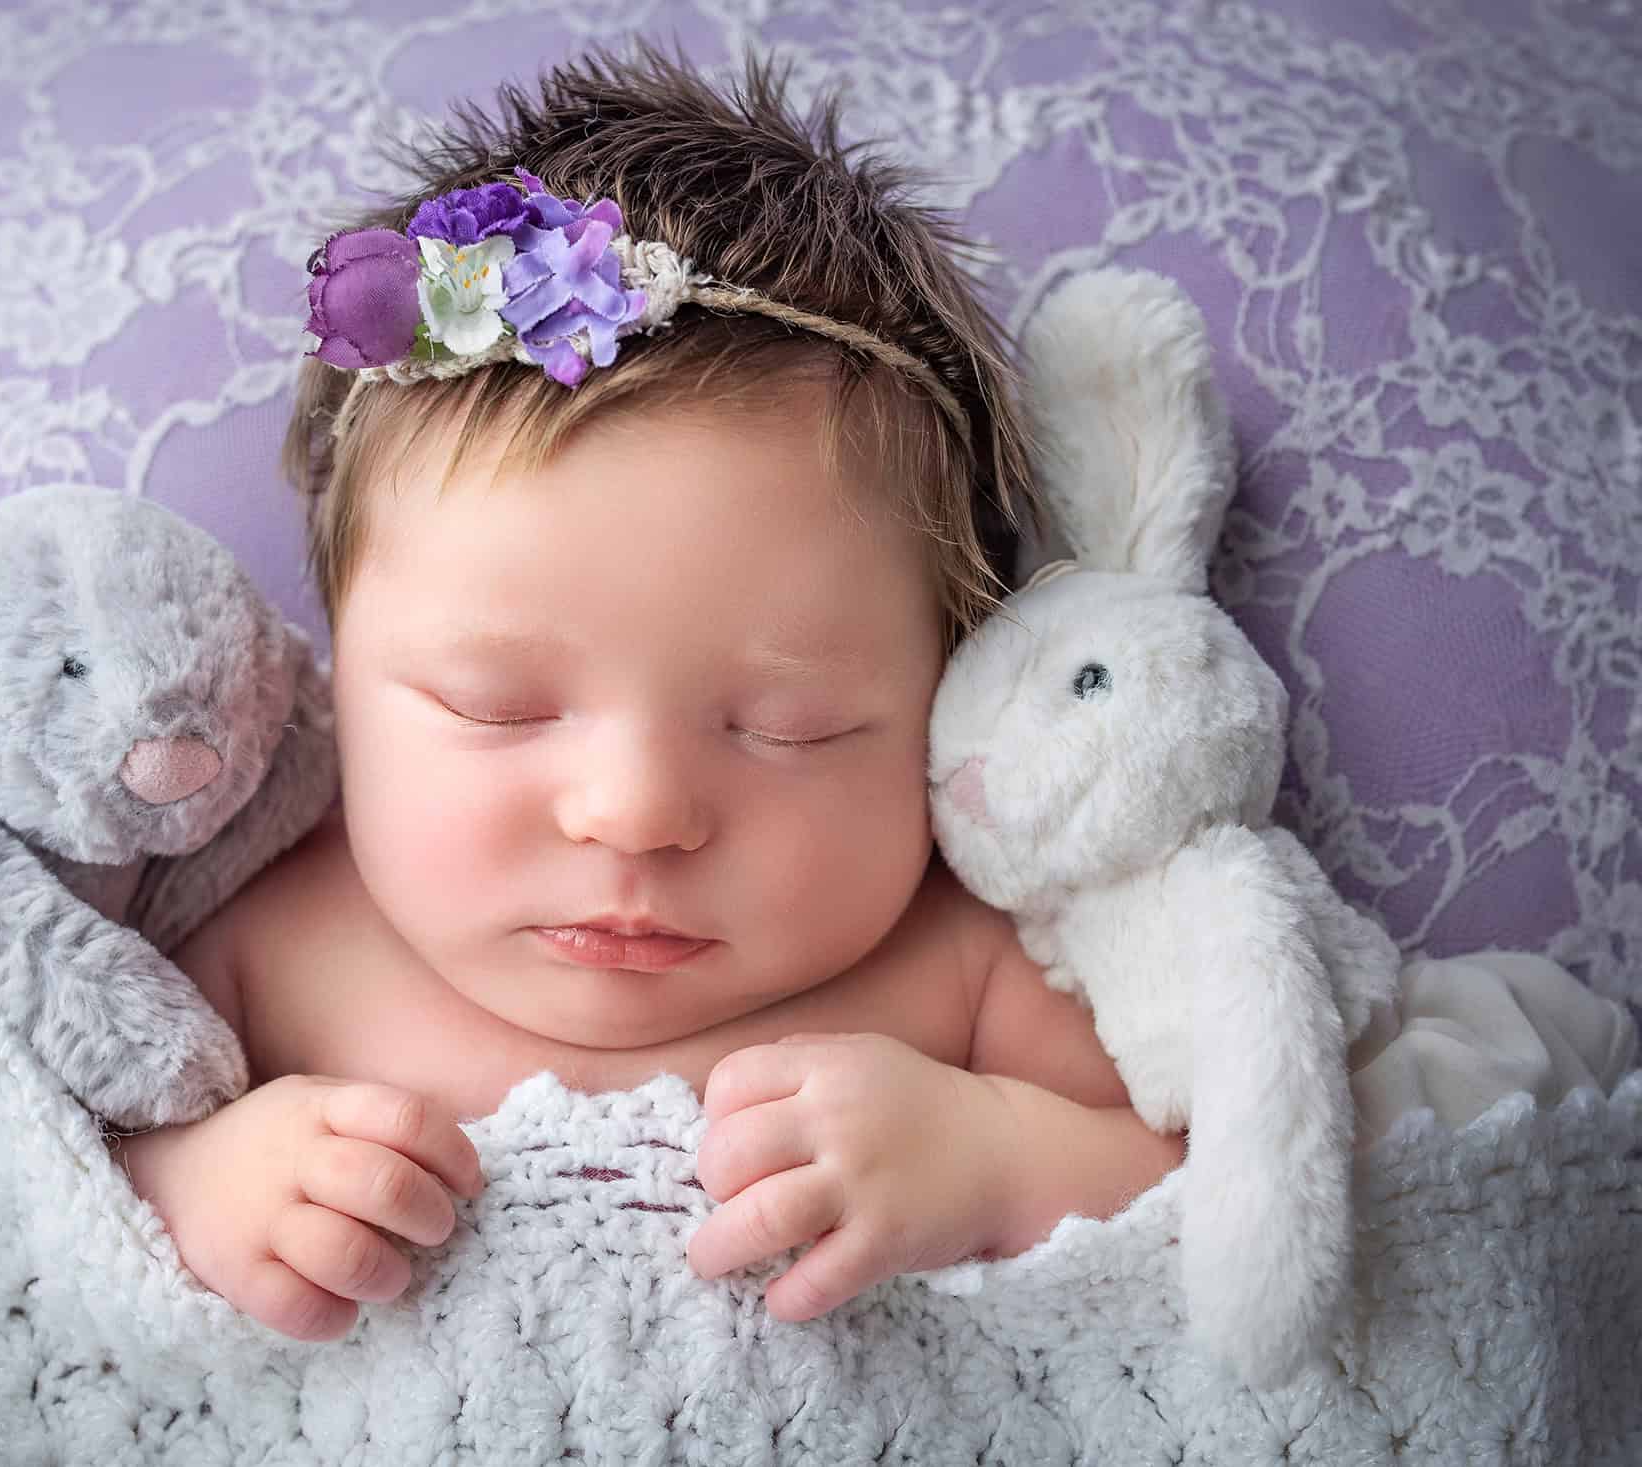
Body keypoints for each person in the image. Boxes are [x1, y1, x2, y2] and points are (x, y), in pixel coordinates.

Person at [111, 46, 1187, 1345]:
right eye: (495, 704)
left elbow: (1204, 1194)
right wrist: (198, 1187)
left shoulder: (956, 971)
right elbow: (36, 1178)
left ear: (944, 700)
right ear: (333, 676)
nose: (634, 816)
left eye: (791, 727)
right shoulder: (266, 946)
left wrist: (1002, 1157)